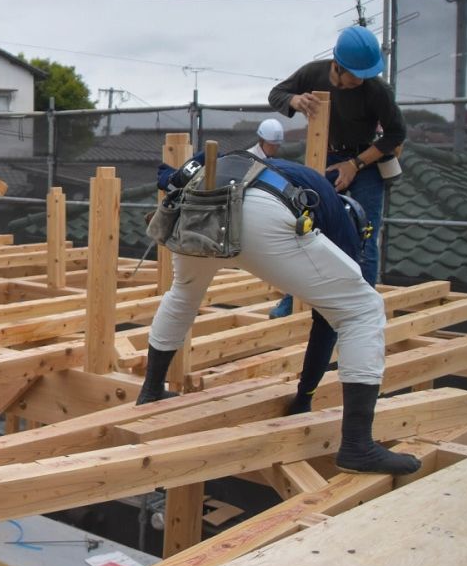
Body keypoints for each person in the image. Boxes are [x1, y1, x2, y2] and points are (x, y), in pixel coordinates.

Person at [138, 152, 420, 476]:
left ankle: (151, 392)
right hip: (257, 208)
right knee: (362, 309)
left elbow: (199, 165)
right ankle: (357, 445)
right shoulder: (341, 222)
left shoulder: (299, 175)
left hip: (198, 201)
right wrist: (304, 397)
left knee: (183, 294)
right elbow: (328, 320)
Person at [268, 25, 406, 285]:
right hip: (326, 158)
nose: (361, 80)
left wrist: (355, 164)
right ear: (337, 66)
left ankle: (364, 305)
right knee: (308, 227)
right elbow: (276, 94)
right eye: (356, 74)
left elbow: (396, 134)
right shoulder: (312, 73)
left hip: (366, 161)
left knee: (365, 233)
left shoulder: (377, 91)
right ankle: (295, 297)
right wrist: (295, 101)